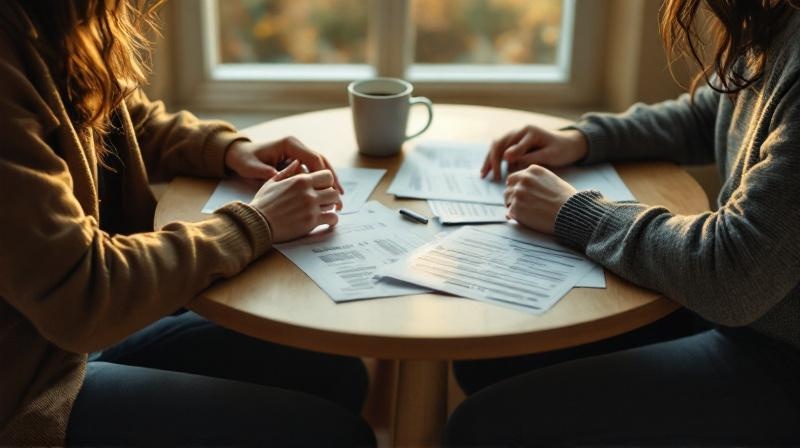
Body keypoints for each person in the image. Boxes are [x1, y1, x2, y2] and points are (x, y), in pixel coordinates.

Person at [0, 1, 375, 446]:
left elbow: (117, 115)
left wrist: (225, 148)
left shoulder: (55, 19)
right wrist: (254, 223)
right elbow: (82, 291)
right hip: (30, 389)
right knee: (336, 436)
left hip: (68, 344)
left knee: (334, 366)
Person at [445, 0, 800, 445]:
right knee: (487, 357)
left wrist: (573, 212)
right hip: (739, 318)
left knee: (482, 427)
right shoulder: (777, 15)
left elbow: (732, 273)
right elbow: (714, 112)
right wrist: (583, 139)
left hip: (780, 357)